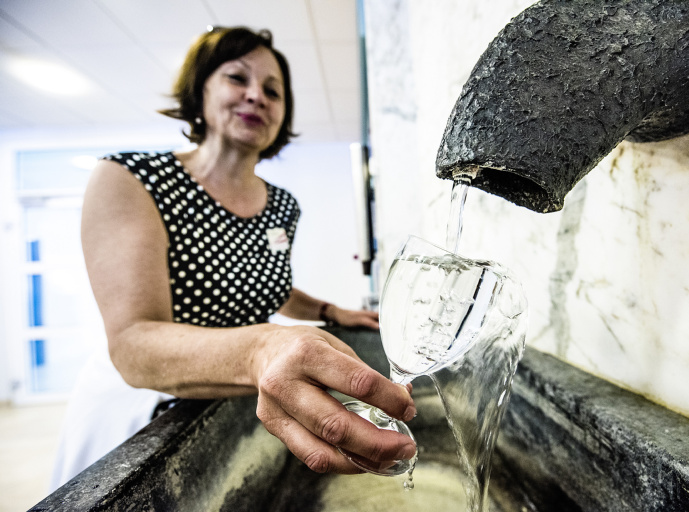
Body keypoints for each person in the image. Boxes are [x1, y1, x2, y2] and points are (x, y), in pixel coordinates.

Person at [50, 26, 416, 488]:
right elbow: (133, 345)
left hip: (230, 397)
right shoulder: (130, 178)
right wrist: (264, 348)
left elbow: (262, 280)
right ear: (201, 88)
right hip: (143, 405)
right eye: (237, 78)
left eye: (272, 90)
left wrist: (326, 310)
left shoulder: (283, 205)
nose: (256, 96)